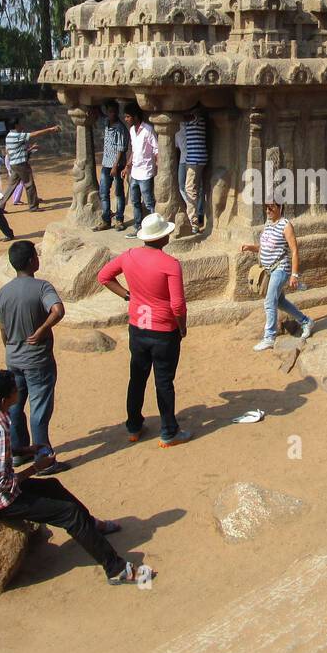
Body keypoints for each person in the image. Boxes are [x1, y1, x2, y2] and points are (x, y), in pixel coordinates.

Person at [0, 370, 143, 585]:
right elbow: (1, 484)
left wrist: (25, 450)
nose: (18, 393)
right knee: (69, 513)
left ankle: (91, 526)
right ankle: (115, 568)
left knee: (53, 486)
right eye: (14, 390)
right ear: (4, 400)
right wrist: (36, 468)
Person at [97, 212, 191, 448]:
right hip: (164, 330)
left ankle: (134, 426)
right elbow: (177, 304)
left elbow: (104, 276)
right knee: (164, 381)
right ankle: (169, 430)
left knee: (137, 377)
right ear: (163, 238)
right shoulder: (170, 264)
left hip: (138, 327)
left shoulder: (129, 256)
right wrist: (182, 327)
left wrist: (128, 295)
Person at [0, 240, 64, 472]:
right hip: (37, 359)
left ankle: (18, 451)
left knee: (15, 406)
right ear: (31, 261)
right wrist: (43, 329)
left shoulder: (3, 292)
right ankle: (43, 458)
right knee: (40, 409)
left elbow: (3, 329)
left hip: (13, 357)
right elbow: (58, 310)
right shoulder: (42, 287)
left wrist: (11, 347)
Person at [240, 200, 312, 351]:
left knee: (269, 301)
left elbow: (294, 251)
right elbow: (264, 247)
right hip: (269, 270)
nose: (268, 211)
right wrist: (251, 247)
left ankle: (269, 338)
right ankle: (306, 321)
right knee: (280, 301)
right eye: (266, 208)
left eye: (271, 208)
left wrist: (294, 275)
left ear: (280, 208)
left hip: (281, 269)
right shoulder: (268, 225)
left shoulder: (286, 225)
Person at [4, 118, 61, 212]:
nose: (22, 125)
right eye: (20, 124)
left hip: (14, 164)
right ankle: (33, 206)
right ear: (16, 126)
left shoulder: (9, 135)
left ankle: (0, 206)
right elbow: (34, 134)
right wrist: (50, 129)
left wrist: (30, 149)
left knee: (11, 185)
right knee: (29, 184)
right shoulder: (16, 135)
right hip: (21, 164)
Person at [122, 103, 158, 237]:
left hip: (146, 172)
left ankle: (155, 228)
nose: (126, 119)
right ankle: (138, 227)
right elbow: (134, 151)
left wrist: (158, 166)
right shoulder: (132, 130)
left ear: (135, 116)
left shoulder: (148, 129)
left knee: (149, 202)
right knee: (135, 201)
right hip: (135, 172)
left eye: (127, 116)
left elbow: (156, 150)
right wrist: (127, 166)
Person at [93, 100, 129, 232]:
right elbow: (100, 114)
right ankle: (106, 219)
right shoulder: (106, 123)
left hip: (116, 164)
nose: (112, 114)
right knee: (104, 192)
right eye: (109, 111)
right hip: (106, 163)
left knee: (119, 193)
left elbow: (121, 148)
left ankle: (119, 219)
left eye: (114, 111)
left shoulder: (120, 128)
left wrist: (115, 166)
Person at [175, 108, 209, 234]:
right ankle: (199, 215)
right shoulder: (196, 119)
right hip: (197, 158)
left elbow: (183, 118)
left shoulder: (196, 117)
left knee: (190, 189)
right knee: (196, 188)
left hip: (194, 159)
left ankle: (193, 222)